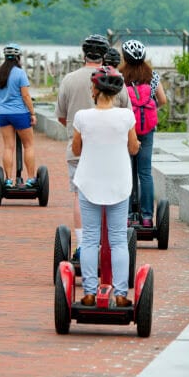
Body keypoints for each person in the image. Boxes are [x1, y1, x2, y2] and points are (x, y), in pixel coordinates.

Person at [56, 34, 131, 255]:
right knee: (112, 196)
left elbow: (61, 116)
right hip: (111, 150)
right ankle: (106, 246)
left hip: (78, 149)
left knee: (81, 195)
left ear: (83, 53)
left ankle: (82, 245)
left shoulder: (69, 79)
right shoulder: (115, 78)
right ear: (104, 54)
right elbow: (128, 114)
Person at [71, 65, 140, 307]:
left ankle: (89, 292)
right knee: (119, 240)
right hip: (119, 183)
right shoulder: (126, 116)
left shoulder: (82, 117)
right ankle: (121, 294)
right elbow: (133, 148)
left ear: (94, 90)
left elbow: (76, 149)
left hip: (89, 181)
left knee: (90, 239)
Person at [119, 39, 167, 227]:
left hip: (125, 129)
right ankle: (147, 217)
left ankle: (128, 215)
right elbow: (162, 100)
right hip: (147, 129)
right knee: (145, 172)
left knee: (127, 170)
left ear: (124, 57)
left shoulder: (120, 77)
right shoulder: (152, 76)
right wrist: (151, 111)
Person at [0, 42, 37, 188]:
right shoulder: (20, 73)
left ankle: (8, 180)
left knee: (8, 147)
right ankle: (30, 179)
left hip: (3, 114)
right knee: (28, 146)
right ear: (18, 57)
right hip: (20, 113)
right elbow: (26, 96)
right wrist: (33, 113)